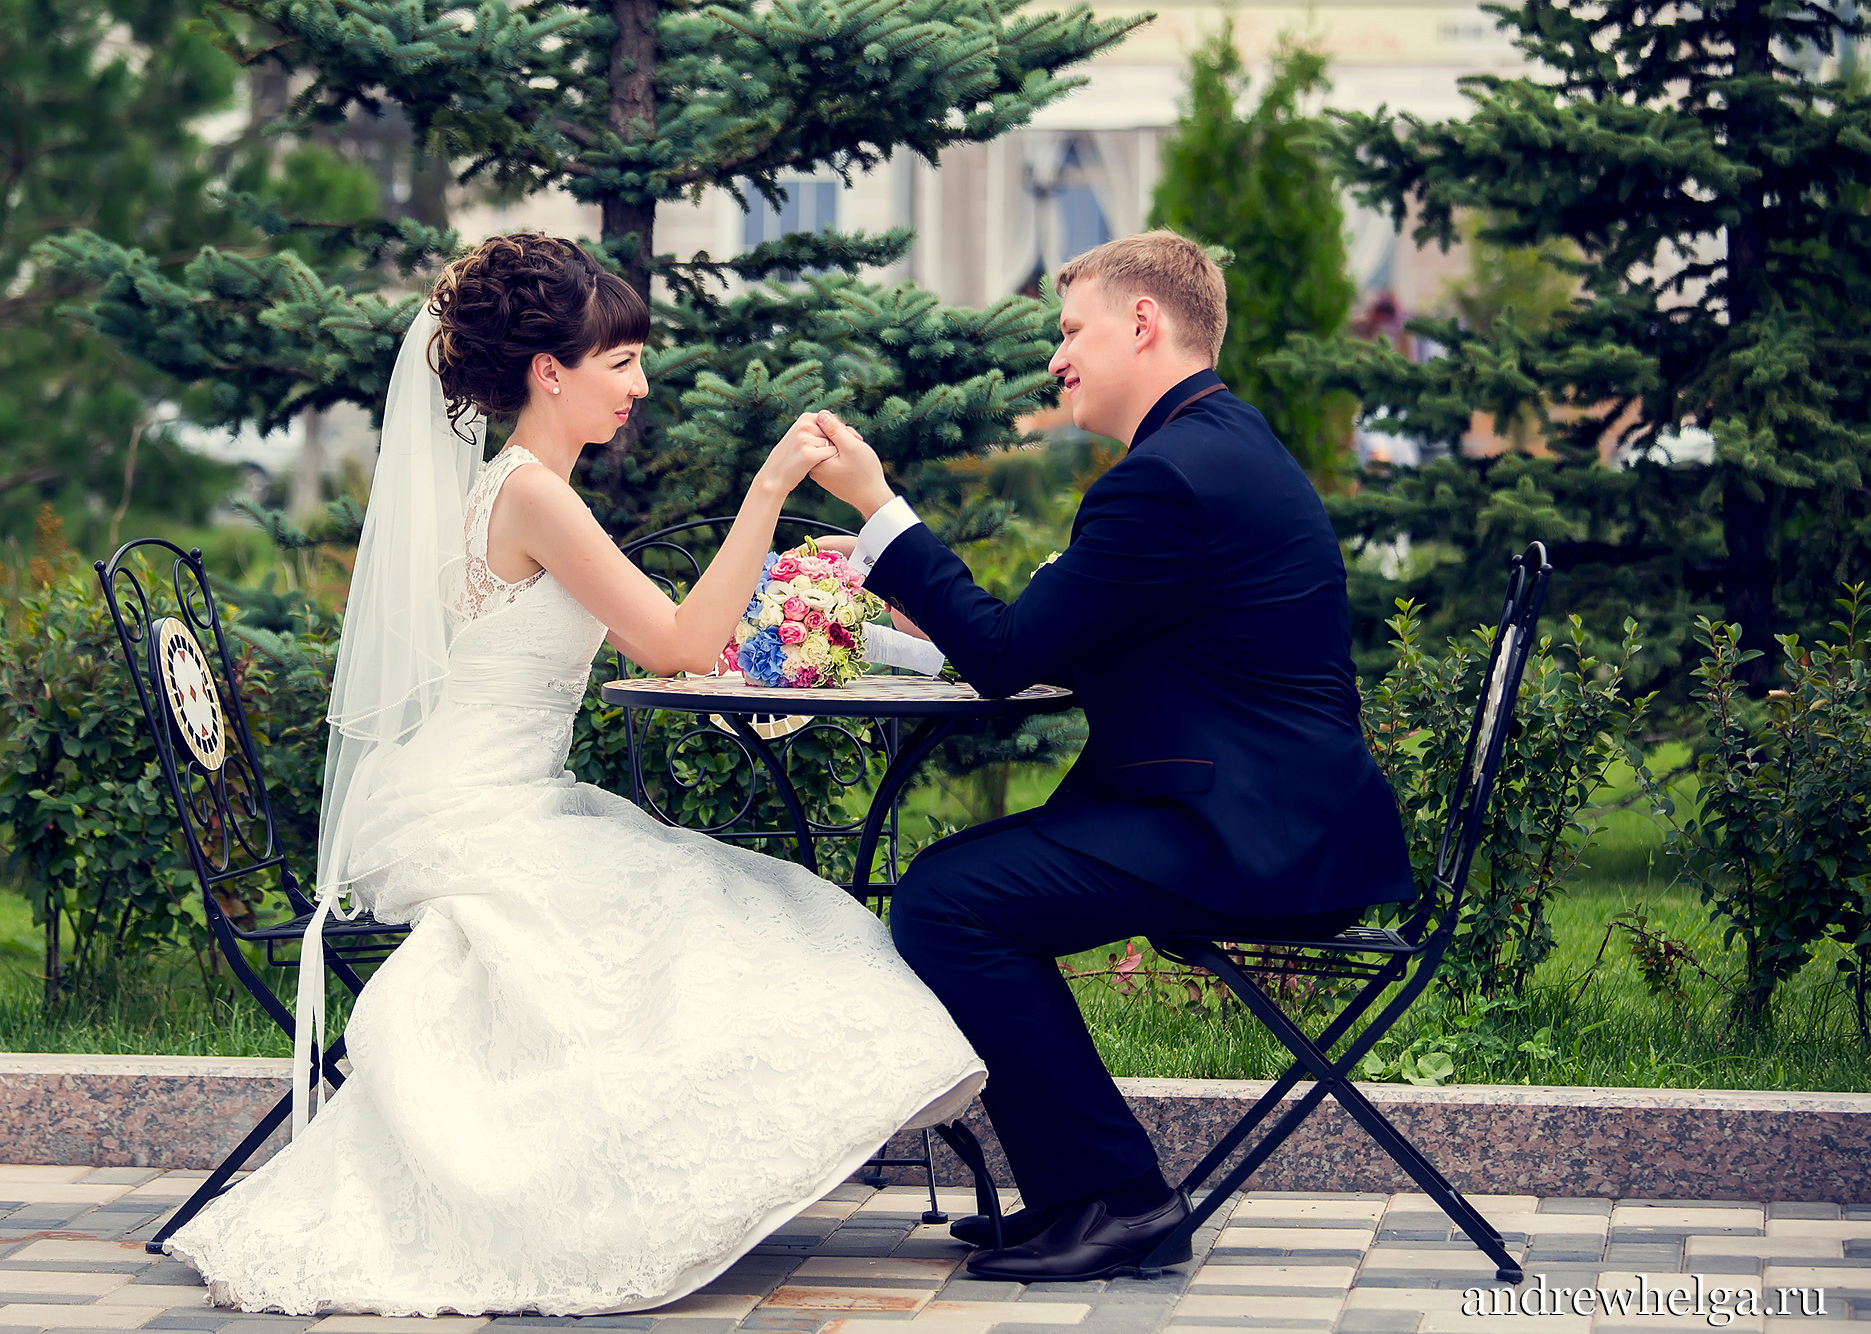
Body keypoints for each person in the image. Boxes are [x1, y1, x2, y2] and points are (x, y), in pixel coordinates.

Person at [163, 234, 985, 1317]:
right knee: (723, 911)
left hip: (477, 794)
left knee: (728, 903)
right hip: (467, 810)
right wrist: (772, 485)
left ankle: (659, 1184)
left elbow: (679, 632)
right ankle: (612, 1201)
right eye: (622, 363)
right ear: (551, 372)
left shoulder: (521, 487)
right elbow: (682, 643)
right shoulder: (534, 495)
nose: (640, 385)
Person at [805, 230, 1416, 1283]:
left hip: (1253, 836)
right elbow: (1062, 648)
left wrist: (878, 507)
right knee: (962, 885)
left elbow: (1005, 656)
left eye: (1069, 329)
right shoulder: (1214, 445)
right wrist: (898, 631)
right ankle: (1078, 1194)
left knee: (949, 898)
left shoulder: (1166, 479)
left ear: (1142, 322)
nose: (1055, 358)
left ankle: (1121, 1198)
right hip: (1265, 813)